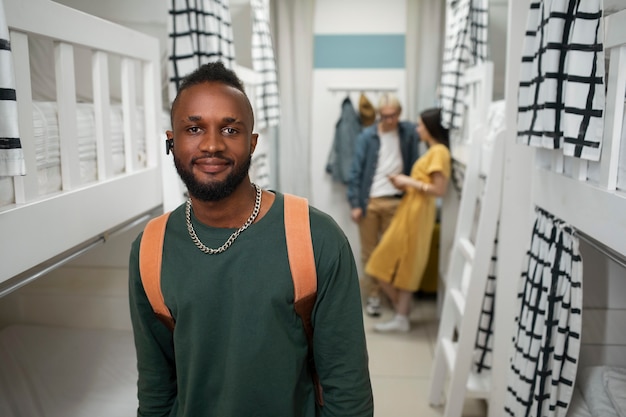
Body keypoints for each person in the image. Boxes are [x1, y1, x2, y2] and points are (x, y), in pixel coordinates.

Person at [128, 61, 373, 416]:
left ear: (253, 142)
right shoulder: (150, 250)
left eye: (230, 130)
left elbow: (347, 390)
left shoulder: (316, 238)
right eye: (194, 128)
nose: (212, 145)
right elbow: (155, 391)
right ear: (172, 141)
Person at [365, 107, 451, 333]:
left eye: (421, 124)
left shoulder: (439, 152)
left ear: (431, 127)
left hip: (418, 213)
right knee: (382, 262)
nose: (417, 128)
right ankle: (402, 311)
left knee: (401, 263)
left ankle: (402, 314)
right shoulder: (432, 151)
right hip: (410, 210)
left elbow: (438, 189)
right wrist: (404, 183)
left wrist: (407, 181)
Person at [347, 93, 420, 317]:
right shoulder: (367, 136)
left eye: (394, 115)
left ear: (400, 114)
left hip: (397, 201)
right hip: (370, 201)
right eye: (385, 116)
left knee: (393, 254)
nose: (389, 120)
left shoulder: (408, 133)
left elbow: (415, 163)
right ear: (380, 115)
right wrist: (355, 203)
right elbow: (356, 170)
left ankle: (393, 296)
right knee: (370, 253)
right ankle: (375, 297)